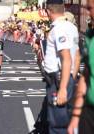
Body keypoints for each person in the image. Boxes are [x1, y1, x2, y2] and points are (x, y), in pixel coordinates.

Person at [44, 0, 79, 133]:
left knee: (57, 125)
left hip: (58, 80)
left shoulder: (58, 29)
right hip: (67, 78)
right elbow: (77, 56)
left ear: (48, 11)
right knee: (67, 120)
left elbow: (66, 58)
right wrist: (71, 78)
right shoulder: (72, 28)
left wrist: (63, 88)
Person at [68, 0, 94, 133]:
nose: (90, 14)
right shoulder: (89, 36)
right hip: (89, 109)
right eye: (88, 9)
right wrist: (76, 115)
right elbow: (86, 75)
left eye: (92, 9)